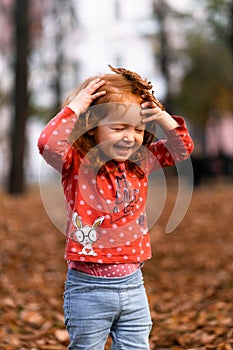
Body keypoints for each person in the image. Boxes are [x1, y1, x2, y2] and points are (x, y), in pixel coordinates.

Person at [38, 65, 194, 350]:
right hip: (88, 289)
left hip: (134, 285)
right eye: (118, 127)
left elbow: (181, 147)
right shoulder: (76, 163)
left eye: (137, 129)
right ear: (92, 128)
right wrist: (76, 107)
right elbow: (48, 144)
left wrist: (160, 115)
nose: (129, 136)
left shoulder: (140, 162)